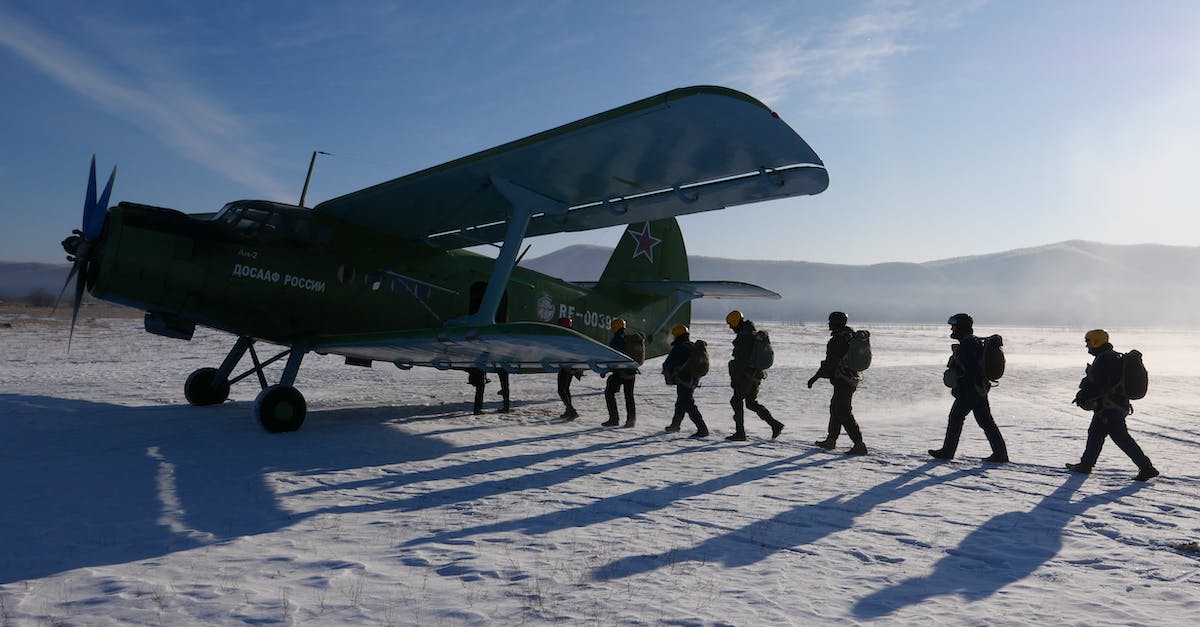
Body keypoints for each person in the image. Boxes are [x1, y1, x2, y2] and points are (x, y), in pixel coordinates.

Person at [1067, 329, 1159, 481]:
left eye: (1088, 342)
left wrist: (1084, 392)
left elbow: (1099, 384)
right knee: (1095, 433)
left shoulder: (1105, 359)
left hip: (1110, 407)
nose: (1087, 346)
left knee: (1121, 438)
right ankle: (1085, 465)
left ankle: (1147, 468)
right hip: (1112, 406)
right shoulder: (1111, 357)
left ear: (1097, 341)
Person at [929, 313, 1009, 463]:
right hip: (979, 390)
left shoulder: (968, 345)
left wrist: (963, 388)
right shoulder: (972, 342)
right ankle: (1000, 454)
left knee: (956, 418)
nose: (952, 329)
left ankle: (948, 451)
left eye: (954, 326)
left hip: (970, 391)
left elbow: (971, 370)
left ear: (961, 328)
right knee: (986, 421)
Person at [807, 311, 868, 455]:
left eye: (830, 321)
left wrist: (815, 378)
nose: (828, 324)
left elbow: (830, 362)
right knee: (836, 408)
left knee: (843, 411)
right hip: (851, 378)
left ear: (835, 323)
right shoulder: (850, 336)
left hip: (843, 379)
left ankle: (859, 444)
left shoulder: (837, 340)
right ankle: (831, 440)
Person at [725, 310, 784, 441]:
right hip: (756, 375)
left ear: (735, 322)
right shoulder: (752, 334)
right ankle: (775, 425)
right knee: (751, 403)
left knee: (736, 401)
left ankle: (740, 433)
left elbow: (741, 361)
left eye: (731, 324)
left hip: (746, 376)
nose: (730, 327)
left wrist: (735, 379)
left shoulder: (743, 337)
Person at [661, 324, 709, 438]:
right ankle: (675, 425)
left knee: (688, 403)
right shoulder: (691, 346)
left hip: (683, 379)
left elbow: (669, 363)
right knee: (681, 402)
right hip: (692, 379)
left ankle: (702, 429)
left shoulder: (679, 347)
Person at [602, 318, 637, 428]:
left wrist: (605, 369)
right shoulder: (628, 339)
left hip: (620, 373)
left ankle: (614, 419)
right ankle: (631, 421)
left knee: (609, 393)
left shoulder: (616, 340)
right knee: (629, 397)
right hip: (631, 372)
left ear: (615, 327)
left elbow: (612, 358)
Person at [556, 316, 582, 420]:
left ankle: (571, 411)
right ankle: (568, 410)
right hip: (571, 367)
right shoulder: (572, 336)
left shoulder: (566, 337)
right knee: (565, 389)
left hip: (567, 367)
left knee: (561, 390)